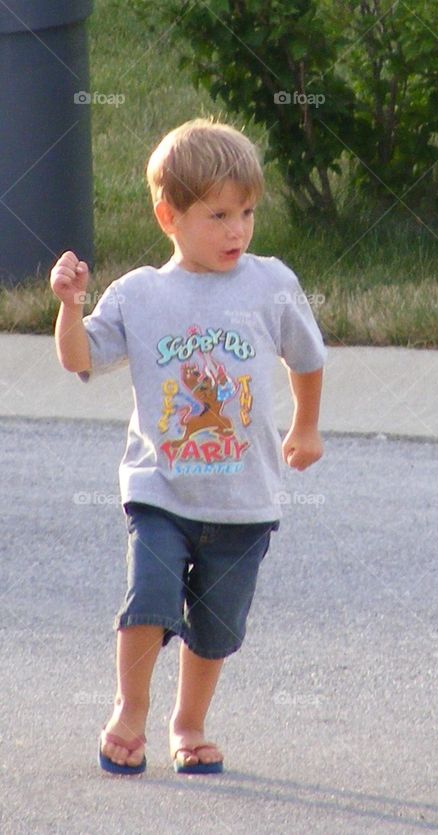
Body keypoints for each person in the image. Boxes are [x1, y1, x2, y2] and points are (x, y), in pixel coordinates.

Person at [50, 119, 327, 776]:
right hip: (160, 490)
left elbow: (308, 357)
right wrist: (68, 306)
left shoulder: (271, 283)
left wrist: (307, 425)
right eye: (219, 215)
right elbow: (80, 358)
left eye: (248, 213)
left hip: (245, 497)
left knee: (215, 629)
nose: (237, 230)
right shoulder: (141, 294)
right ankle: (129, 711)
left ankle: (190, 722)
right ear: (168, 214)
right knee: (147, 598)